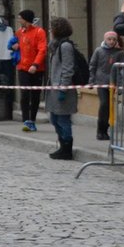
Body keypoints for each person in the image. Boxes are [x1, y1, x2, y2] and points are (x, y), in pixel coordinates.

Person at [45, 17, 80, 160]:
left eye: (51, 28)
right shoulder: (56, 45)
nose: (50, 31)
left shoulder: (65, 46)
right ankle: (62, 145)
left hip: (62, 89)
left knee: (63, 119)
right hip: (54, 87)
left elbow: (67, 68)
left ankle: (67, 149)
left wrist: (63, 88)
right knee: (54, 119)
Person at [87, 30, 124, 141]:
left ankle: (105, 128)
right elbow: (92, 66)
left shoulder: (119, 53)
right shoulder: (99, 51)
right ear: (105, 39)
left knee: (109, 106)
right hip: (101, 81)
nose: (111, 41)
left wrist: (121, 85)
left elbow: (122, 70)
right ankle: (101, 130)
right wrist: (91, 81)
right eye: (109, 39)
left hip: (112, 82)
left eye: (114, 39)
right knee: (104, 104)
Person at [15, 10, 49, 132]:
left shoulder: (39, 32)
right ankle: (26, 120)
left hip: (37, 69)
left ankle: (32, 120)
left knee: (35, 95)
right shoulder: (19, 32)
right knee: (24, 94)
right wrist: (13, 47)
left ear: (26, 19)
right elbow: (13, 44)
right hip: (23, 67)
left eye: (21, 18)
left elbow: (42, 50)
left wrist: (35, 64)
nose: (19, 20)